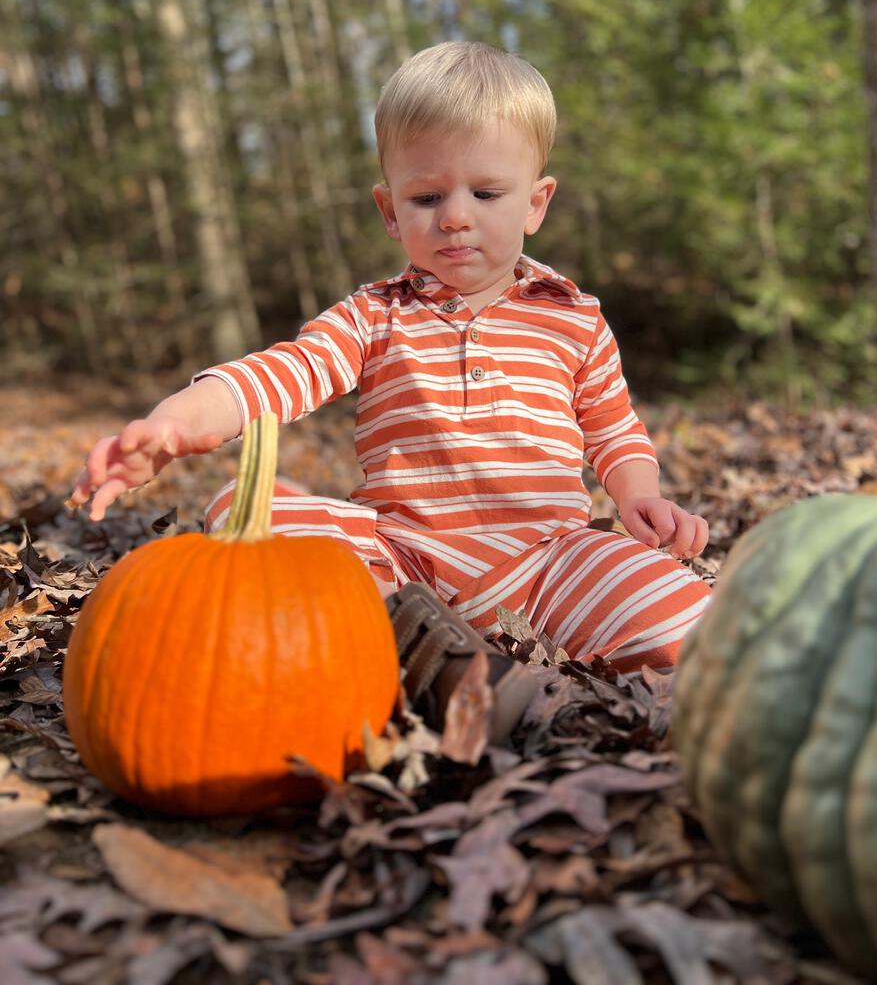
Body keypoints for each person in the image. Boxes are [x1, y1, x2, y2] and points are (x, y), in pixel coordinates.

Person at [70, 41, 710, 739]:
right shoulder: (375, 315)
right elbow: (290, 370)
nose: (456, 216)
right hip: (401, 563)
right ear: (389, 210)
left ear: (536, 202)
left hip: (550, 558)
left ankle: (703, 667)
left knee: (681, 610)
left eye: (487, 194)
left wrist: (638, 496)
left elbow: (614, 431)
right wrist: (179, 420)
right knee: (248, 513)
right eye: (427, 197)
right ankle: (440, 667)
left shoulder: (573, 318)